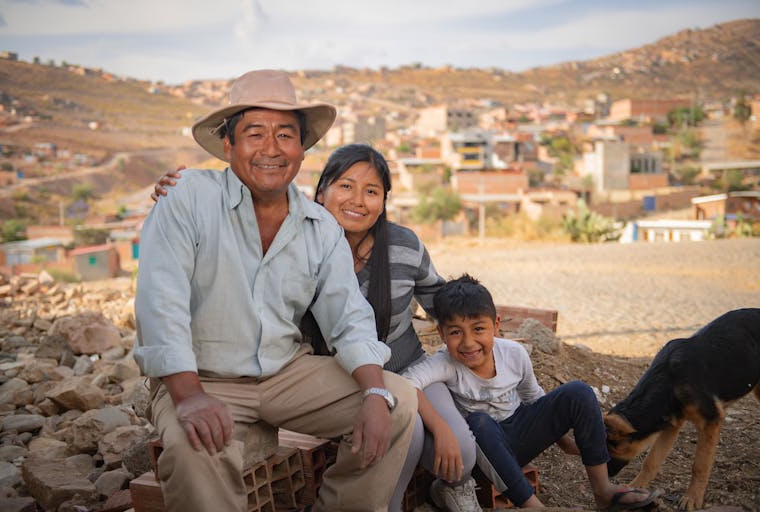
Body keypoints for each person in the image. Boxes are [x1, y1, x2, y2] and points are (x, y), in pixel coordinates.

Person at [133, 69, 418, 512]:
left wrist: (375, 394)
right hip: (204, 378)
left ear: (302, 149)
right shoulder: (186, 197)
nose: (271, 148)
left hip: (287, 375)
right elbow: (160, 302)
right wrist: (188, 397)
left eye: (285, 135)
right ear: (228, 145)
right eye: (254, 133)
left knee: (397, 400)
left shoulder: (320, 225)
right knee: (195, 449)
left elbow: (348, 316)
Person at [152, 144, 482, 512]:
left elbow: (443, 302)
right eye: (345, 186)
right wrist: (180, 194)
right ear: (321, 191)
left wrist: (481, 342)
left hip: (408, 370)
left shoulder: (403, 246)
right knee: (411, 434)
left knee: (460, 455)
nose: (357, 200)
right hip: (338, 376)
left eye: (371, 191)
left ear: (384, 201)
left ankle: (449, 486)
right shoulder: (294, 240)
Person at [401, 274, 661, 511]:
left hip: (518, 437)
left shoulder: (515, 354)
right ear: (442, 334)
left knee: (578, 392)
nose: (468, 342)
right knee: (479, 422)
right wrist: (442, 428)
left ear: (496, 325)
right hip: (480, 455)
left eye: (478, 329)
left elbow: (534, 398)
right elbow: (407, 383)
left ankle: (603, 492)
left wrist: (565, 442)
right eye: (456, 332)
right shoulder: (444, 363)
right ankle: (535, 507)